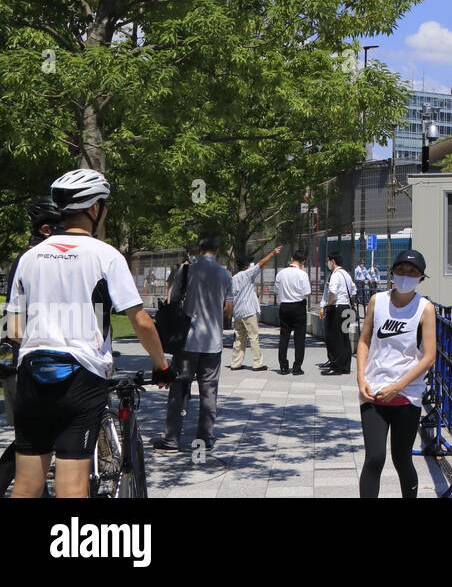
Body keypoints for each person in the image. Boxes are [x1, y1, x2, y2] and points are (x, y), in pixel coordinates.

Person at [5, 169, 174, 498]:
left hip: (31, 375)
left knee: (26, 484)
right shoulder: (106, 256)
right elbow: (139, 320)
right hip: (81, 379)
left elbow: (14, 329)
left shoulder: (28, 258)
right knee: (72, 487)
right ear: (95, 208)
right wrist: (162, 364)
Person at [356, 250, 437, 498]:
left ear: (421, 278)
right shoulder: (376, 301)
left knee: (402, 459)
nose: (406, 276)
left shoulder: (425, 308)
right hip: (374, 391)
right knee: (375, 458)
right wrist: (361, 378)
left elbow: (429, 356)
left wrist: (398, 386)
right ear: (392, 272)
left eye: (412, 272)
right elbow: (364, 340)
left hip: (407, 394)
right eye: (401, 270)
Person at [0, 197, 64, 494]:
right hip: (29, 363)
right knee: (34, 442)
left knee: (39, 439)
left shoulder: (44, 260)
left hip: (41, 360)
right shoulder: (30, 261)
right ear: (48, 229)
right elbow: (15, 325)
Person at [154, 235, 233, 453]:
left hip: (187, 339)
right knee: (209, 392)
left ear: (199, 248)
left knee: (178, 389)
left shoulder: (187, 269)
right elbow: (228, 309)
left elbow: (172, 299)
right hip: (213, 343)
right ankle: (205, 438)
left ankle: (171, 439)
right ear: (218, 249)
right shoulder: (225, 274)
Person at [227, 244, 281, 371]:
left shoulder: (233, 278)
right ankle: (257, 363)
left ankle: (235, 363)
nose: (252, 264)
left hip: (238, 312)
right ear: (246, 265)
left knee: (239, 338)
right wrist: (273, 253)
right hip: (248, 311)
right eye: (250, 263)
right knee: (254, 337)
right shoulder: (247, 274)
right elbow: (261, 263)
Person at [274, 251, 311, 375]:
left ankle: (283, 366)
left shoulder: (280, 273)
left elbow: (276, 290)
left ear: (291, 258)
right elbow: (307, 292)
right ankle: (297, 367)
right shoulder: (302, 274)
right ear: (303, 262)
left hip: (284, 306)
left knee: (284, 336)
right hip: (298, 306)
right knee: (299, 338)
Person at [321, 251, 357, 376]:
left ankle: (336, 366)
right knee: (344, 338)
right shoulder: (346, 274)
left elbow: (332, 291)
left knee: (335, 337)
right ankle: (345, 366)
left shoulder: (336, 274)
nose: (327, 263)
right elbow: (354, 290)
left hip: (336, 308)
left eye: (328, 261)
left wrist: (328, 304)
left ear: (333, 261)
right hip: (346, 307)